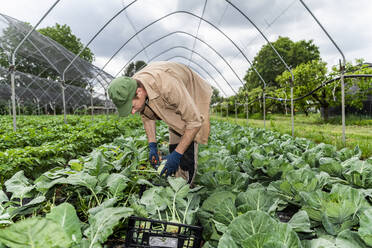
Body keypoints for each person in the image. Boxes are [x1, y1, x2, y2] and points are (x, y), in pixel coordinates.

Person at [108, 61, 212, 185]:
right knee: (175, 140)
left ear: (139, 92)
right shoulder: (133, 85)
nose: (132, 112)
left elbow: (194, 122)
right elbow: (147, 116)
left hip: (189, 88)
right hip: (169, 94)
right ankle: (177, 177)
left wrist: (177, 154)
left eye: (132, 107)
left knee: (186, 143)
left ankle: (186, 186)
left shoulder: (167, 85)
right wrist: (152, 145)